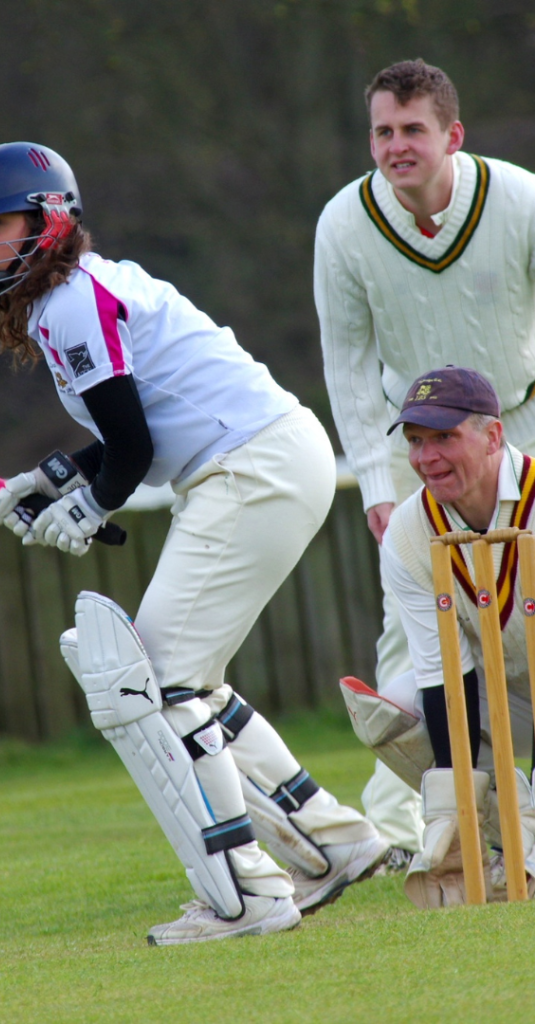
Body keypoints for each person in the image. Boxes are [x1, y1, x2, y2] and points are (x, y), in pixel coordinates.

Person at [0, 142, 387, 945]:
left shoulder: (74, 299)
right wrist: (52, 481)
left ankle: (248, 893)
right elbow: (120, 439)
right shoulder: (72, 296)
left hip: (252, 466)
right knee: (190, 683)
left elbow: (132, 453)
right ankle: (332, 844)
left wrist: (84, 507)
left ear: (49, 221)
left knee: (162, 683)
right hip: (264, 459)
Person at [314, 59, 535, 864]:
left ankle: (521, 814)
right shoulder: (343, 223)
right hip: (416, 443)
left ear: (453, 135)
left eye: (413, 130)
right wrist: (379, 481)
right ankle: (424, 830)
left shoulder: (519, 199)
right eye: (383, 131)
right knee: (413, 635)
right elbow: (346, 363)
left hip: (521, 421)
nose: (397, 146)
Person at [350, 366, 535, 906]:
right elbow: (443, 676)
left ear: (493, 436)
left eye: (445, 438)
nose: (425, 458)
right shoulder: (409, 532)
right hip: (512, 702)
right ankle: (500, 840)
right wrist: (450, 808)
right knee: (397, 707)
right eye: (415, 441)